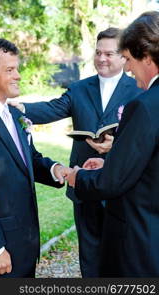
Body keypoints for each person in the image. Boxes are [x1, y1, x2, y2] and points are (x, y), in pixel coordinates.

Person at [10, 27, 142, 277]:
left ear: (124, 56)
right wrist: (18, 108)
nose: (102, 58)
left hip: (122, 185)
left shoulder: (139, 89)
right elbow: (52, 108)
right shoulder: (80, 88)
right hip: (83, 181)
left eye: (109, 54)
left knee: (122, 255)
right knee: (89, 255)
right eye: (98, 52)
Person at [0, 38, 71, 278]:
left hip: (23, 243)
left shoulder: (12, 113)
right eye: (10, 70)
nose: (18, 75)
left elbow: (26, 159)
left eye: (17, 68)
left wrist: (55, 169)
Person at [66, 10, 159, 277]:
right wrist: (111, 160)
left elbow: (111, 183)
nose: (128, 68)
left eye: (128, 59)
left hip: (141, 239)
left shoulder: (144, 105)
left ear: (148, 56)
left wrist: (78, 177)